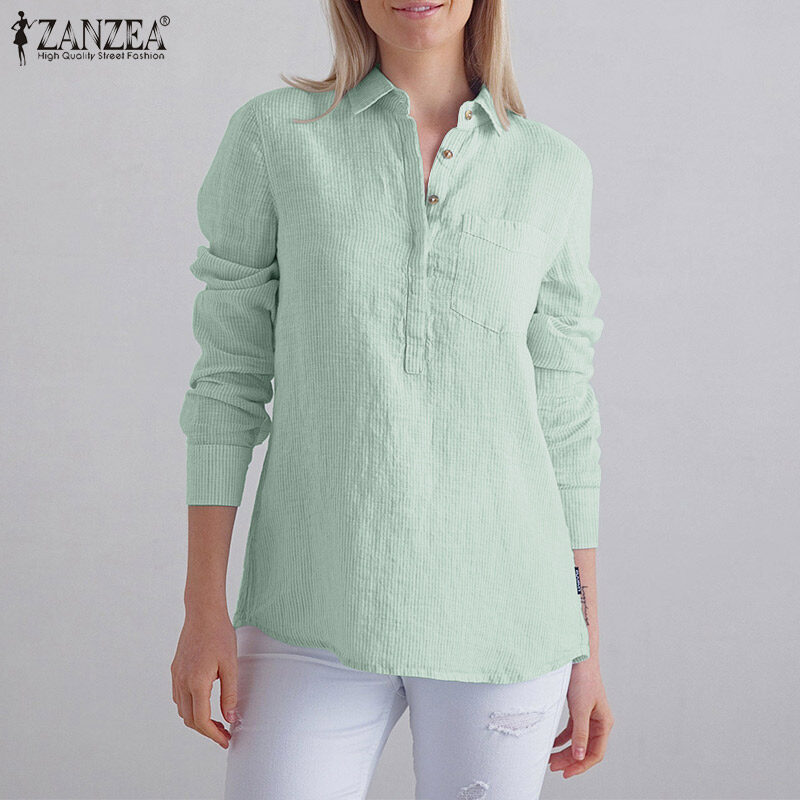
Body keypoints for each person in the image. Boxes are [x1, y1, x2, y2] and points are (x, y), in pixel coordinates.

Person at [171, 0, 614, 797]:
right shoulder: (276, 137)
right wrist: (203, 606)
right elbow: (227, 380)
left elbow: (565, 419)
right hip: (310, 602)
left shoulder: (552, 168)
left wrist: (586, 648)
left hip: (510, 618)